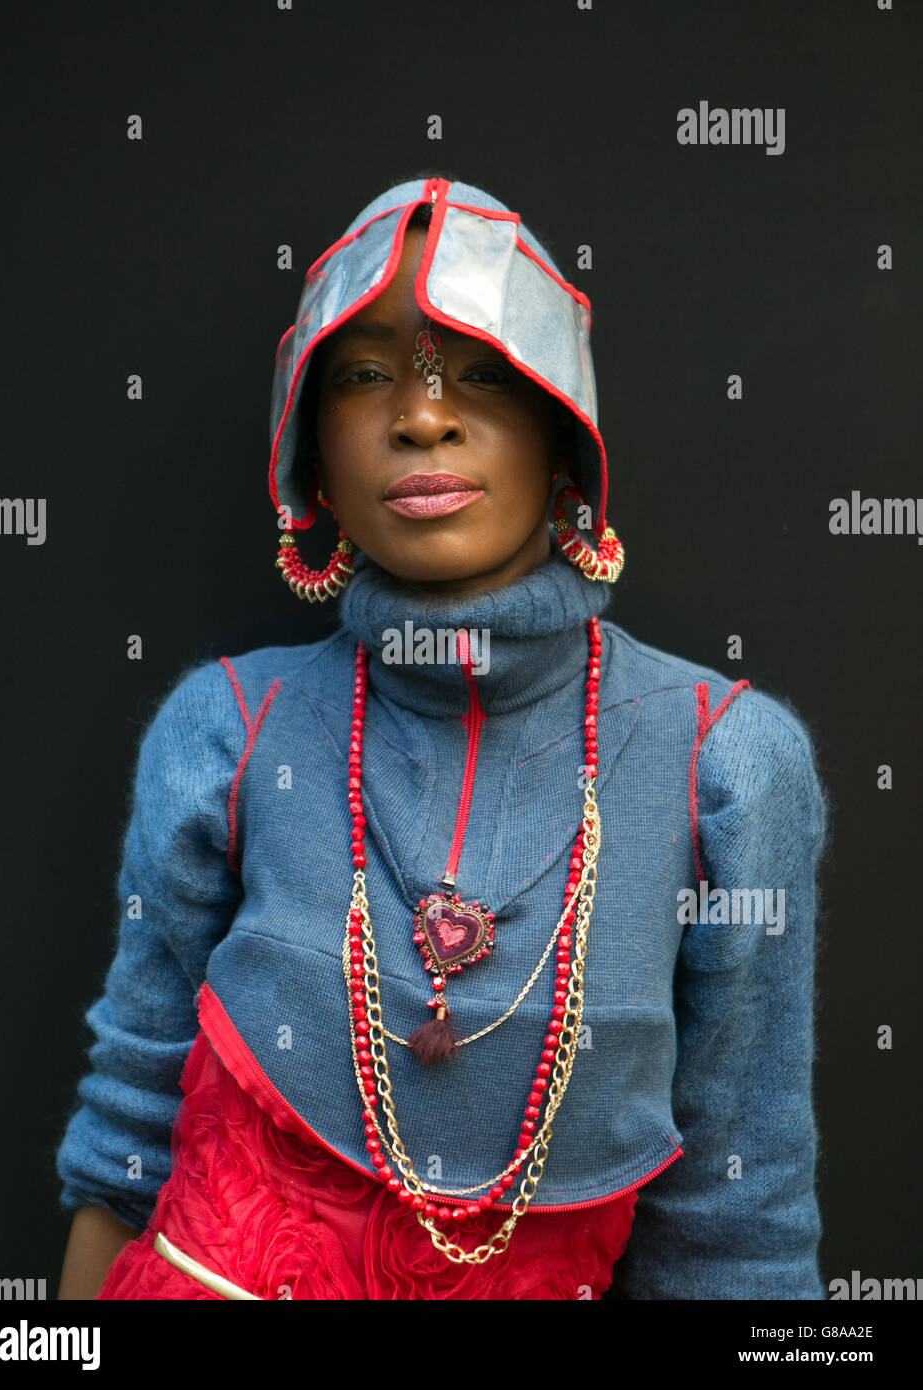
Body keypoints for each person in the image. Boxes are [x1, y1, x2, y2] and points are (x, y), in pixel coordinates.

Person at [55, 174, 829, 1300]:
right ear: (308, 454)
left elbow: (738, 1221)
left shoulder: (727, 766)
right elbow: (127, 1127)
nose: (422, 414)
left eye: (480, 370)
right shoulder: (225, 732)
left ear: (567, 443)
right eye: (366, 374)